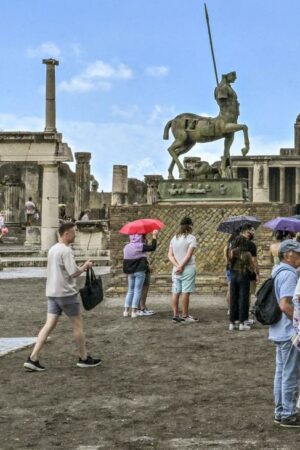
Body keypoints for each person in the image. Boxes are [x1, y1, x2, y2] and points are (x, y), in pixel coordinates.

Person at [23, 222, 101, 371]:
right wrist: (86, 265)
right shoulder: (66, 251)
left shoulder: (52, 249)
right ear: (66, 234)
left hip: (52, 293)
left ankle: (33, 357)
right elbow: (74, 273)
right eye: (73, 232)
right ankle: (84, 358)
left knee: (48, 325)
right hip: (66, 294)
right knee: (78, 325)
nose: (75, 235)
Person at [270, 240, 300, 427]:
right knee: (290, 373)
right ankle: (288, 413)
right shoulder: (289, 275)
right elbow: (285, 305)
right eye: (297, 253)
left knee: (281, 372)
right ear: (288, 254)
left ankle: (281, 411)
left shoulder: (278, 271)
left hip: (278, 330)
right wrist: (298, 323)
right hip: (289, 331)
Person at [168, 217, 198, 323]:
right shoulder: (191, 238)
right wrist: (181, 266)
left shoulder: (174, 238)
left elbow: (170, 255)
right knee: (185, 291)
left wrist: (177, 266)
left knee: (175, 291)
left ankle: (175, 316)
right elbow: (189, 255)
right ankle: (185, 316)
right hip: (188, 268)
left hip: (175, 270)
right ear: (190, 226)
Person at [123, 230, 158, 318]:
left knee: (130, 290)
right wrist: (154, 236)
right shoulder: (140, 246)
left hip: (130, 272)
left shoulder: (126, 247)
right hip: (139, 271)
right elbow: (153, 247)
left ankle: (126, 311)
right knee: (137, 291)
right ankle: (134, 312)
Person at [229, 235, 255, 331]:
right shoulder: (247, 253)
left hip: (233, 276)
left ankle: (232, 322)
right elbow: (251, 268)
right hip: (243, 276)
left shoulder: (232, 252)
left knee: (233, 298)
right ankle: (242, 323)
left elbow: (229, 263)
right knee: (243, 299)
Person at [224, 230, 239, 315]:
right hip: (235, 268)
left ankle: (230, 308)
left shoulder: (227, 247)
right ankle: (234, 308)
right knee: (234, 289)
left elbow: (226, 259)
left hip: (228, 268)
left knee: (229, 289)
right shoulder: (235, 247)